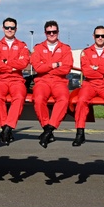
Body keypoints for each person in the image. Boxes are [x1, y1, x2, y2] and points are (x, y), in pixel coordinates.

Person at [72, 26, 104, 149]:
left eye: (103, 36)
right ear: (93, 36)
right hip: (90, 84)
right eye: (98, 36)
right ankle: (80, 133)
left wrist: (97, 68)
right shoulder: (86, 52)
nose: (100, 38)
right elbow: (87, 72)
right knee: (81, 101)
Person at [30, 20, 73, 148]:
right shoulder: (38, 48)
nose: (52, 34)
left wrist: (46, 66)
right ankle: (46, 128)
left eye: (54, 31)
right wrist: (55, 64)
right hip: (42, 80)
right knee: (38, 99)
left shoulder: (65, 48)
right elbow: (38, 68)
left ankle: (49, 129)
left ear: (58, 32)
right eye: (49, 32)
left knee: (64, 99)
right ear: (45, 33)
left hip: (59, 81)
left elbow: (66, 68)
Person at [0, 18, 30, 144]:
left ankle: (7, 127)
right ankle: (5, 127)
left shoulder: (22, 45)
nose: (9, 30)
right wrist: (12, 66)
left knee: (19, 96)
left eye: (12, 28)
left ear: (16, 29)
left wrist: (6, 62)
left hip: (16, 79)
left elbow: (23, 63)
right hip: (0, 79)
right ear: (3, 29)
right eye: (7, 27)